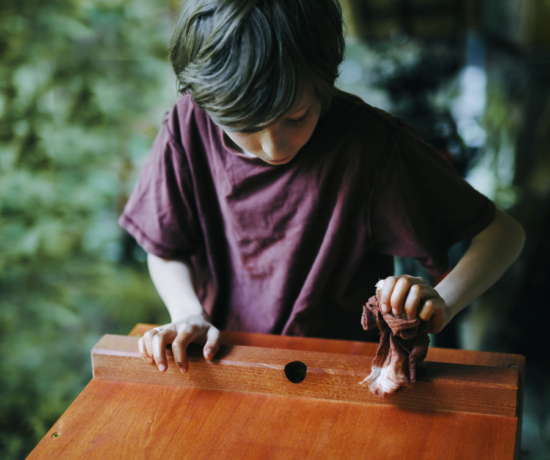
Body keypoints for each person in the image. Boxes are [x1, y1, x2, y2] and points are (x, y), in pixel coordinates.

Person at [119, 0, 525, 374]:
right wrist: (187, 312)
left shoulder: (373, 147)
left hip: (341, 371)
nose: (274, 147)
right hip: (227, 363)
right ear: (208, 105)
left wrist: (444, 301)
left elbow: (502, 234)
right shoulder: (188, 127)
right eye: (244, 128)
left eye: (295, 117)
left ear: (324, 83)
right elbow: (164, 246)